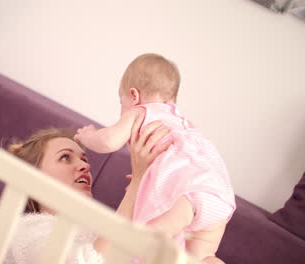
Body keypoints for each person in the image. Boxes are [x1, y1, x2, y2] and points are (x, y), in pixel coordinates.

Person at [74, 53, 236, 262]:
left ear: (134, 96)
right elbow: (176, 168)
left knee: (142, 241)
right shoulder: (179, 122)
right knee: (204, 257)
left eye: (120, 101)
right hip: (219, 197)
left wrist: (87, 136)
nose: (122, 109)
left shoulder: (142, 112)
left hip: (191, 196)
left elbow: (108, 141)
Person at [4, 114, 176, 264]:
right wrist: (136, 187)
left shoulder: (95, 227)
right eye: (65, 157)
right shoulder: (26, 231)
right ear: (34, 177)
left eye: (84, 159)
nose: (84, 165)